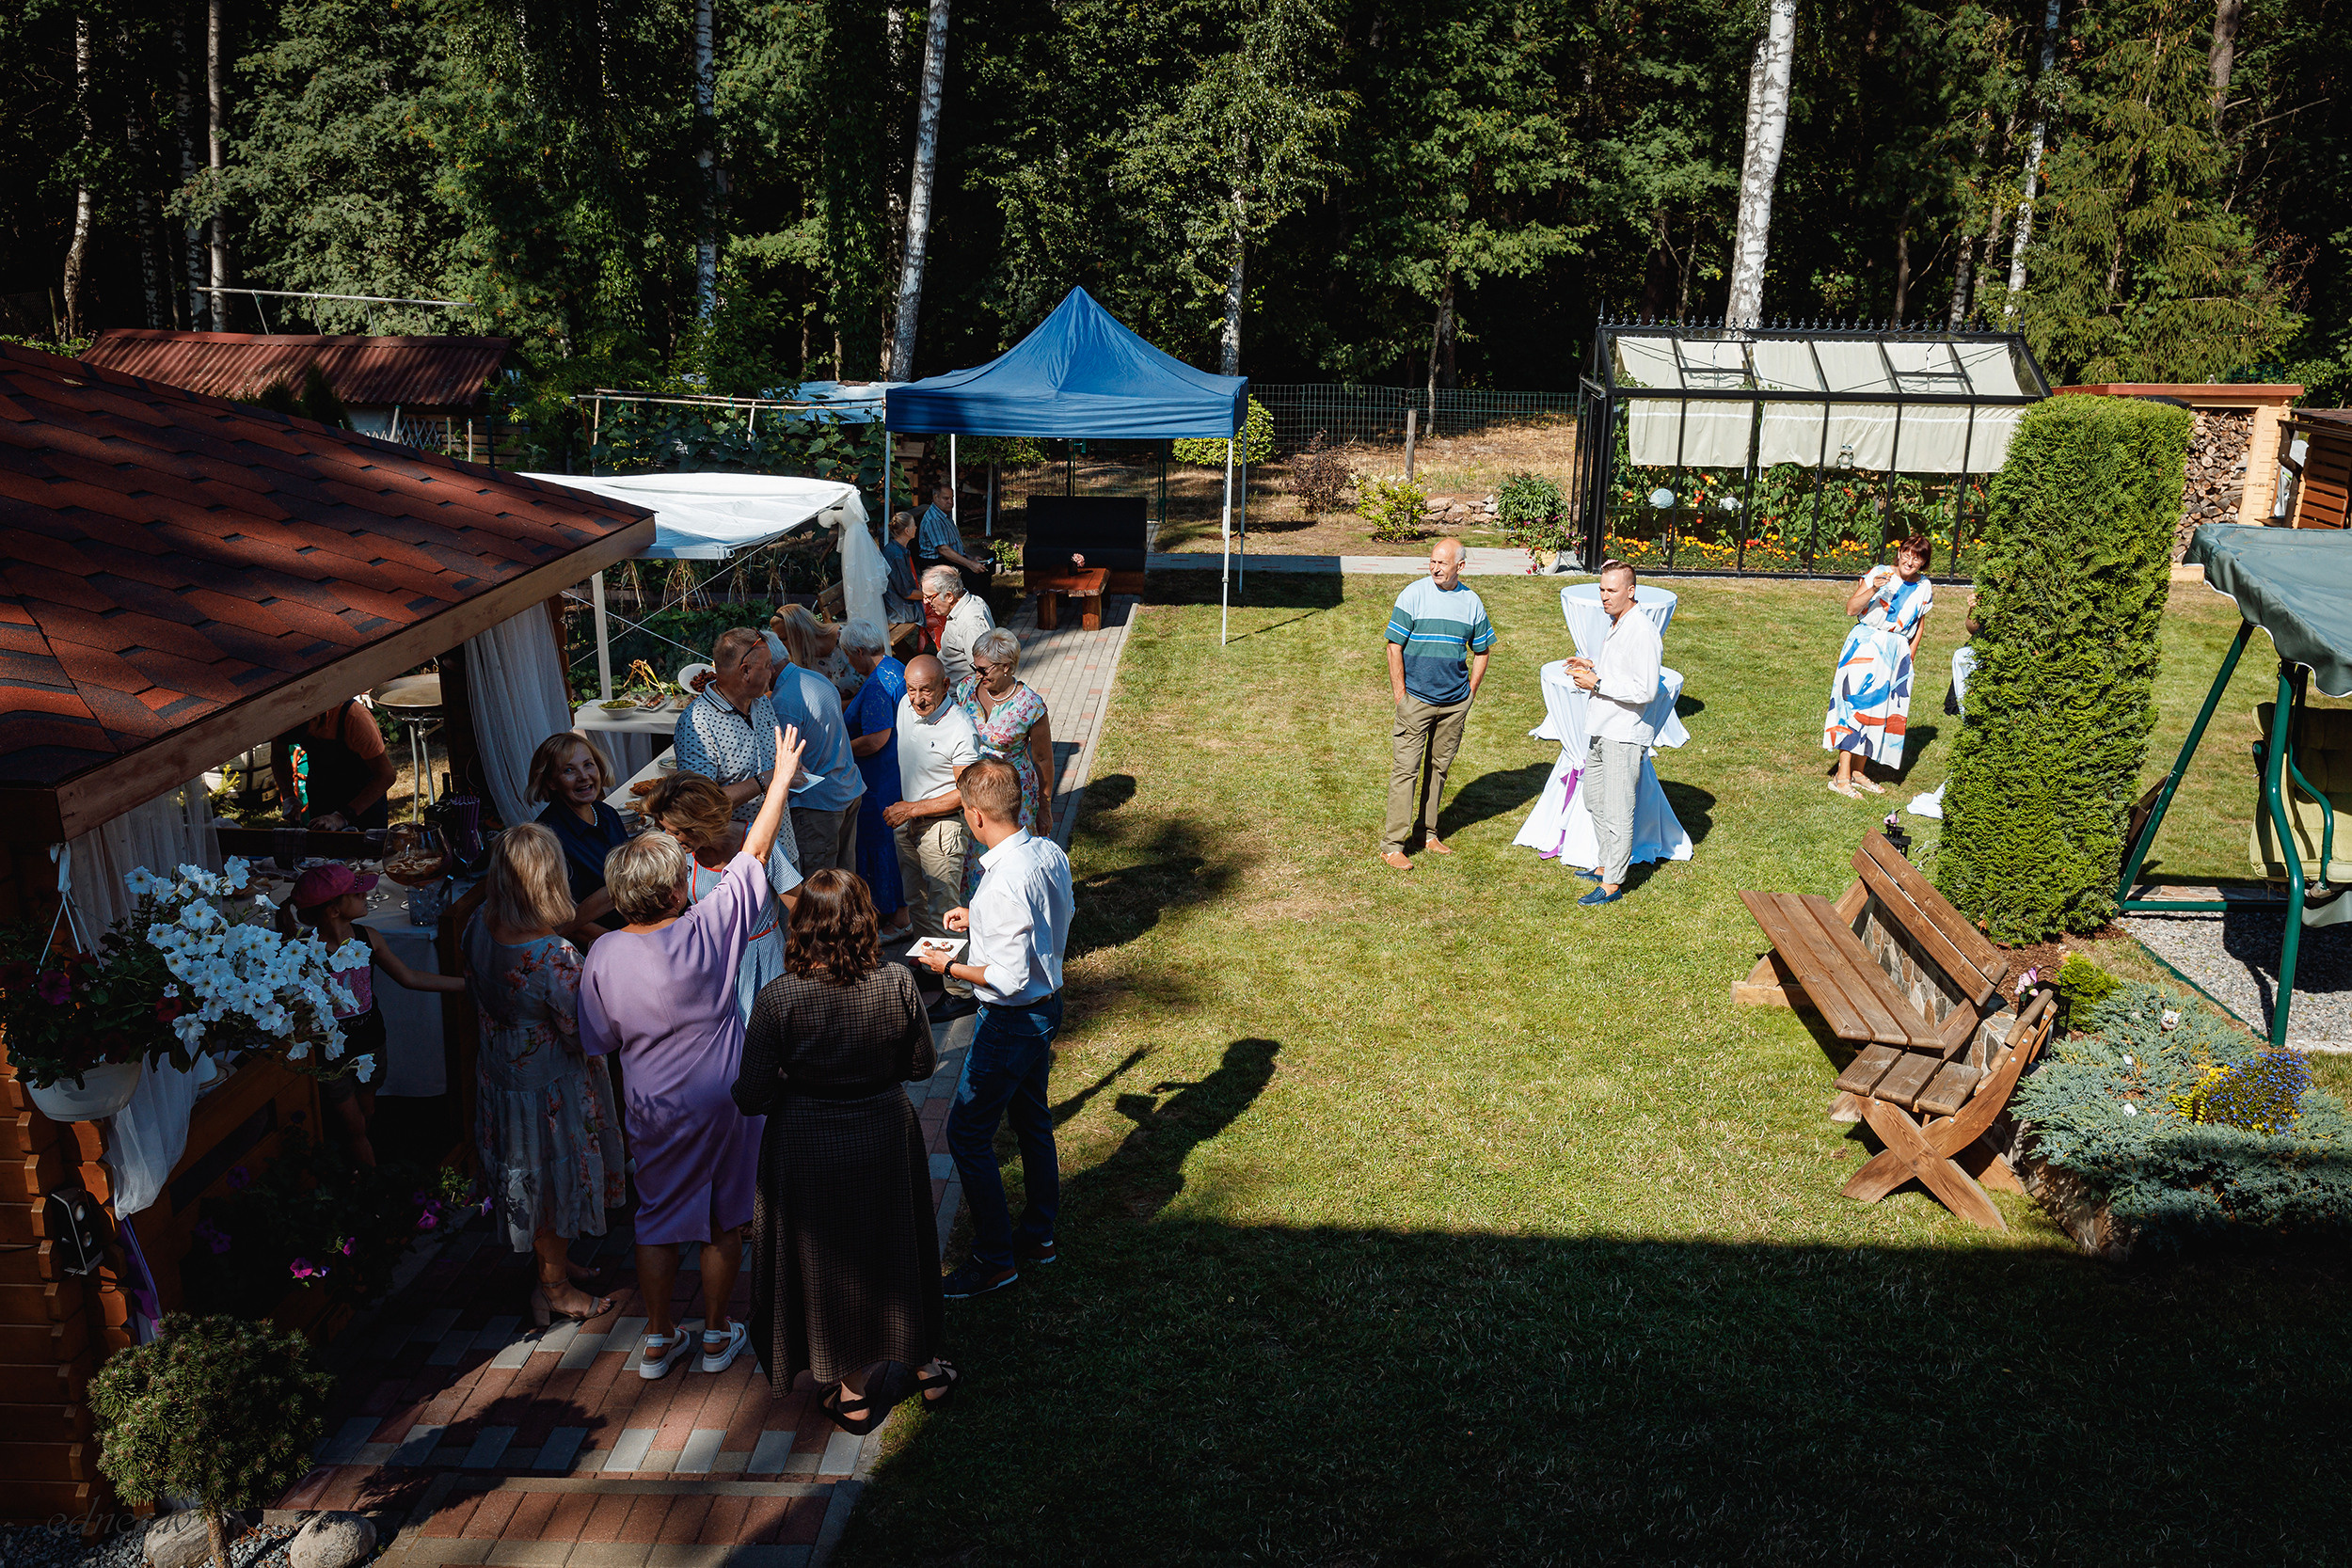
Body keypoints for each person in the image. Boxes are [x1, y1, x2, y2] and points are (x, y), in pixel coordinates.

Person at [580, 721, 803, 1380]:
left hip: (651, 1106)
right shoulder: (710, 925)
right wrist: (780, 779)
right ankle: (713, 1335)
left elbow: (599, 1039)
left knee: (657, 1219)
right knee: (723, 1221)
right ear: (677, 890)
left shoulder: (604, 952)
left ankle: (655, 1338)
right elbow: (755, 852)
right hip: (727, 1100)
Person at [732, 870, 958, 1433]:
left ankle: (852, 1392)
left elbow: (751, 1095)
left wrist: (791, 1077)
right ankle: (926, 1366)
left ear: (801, 924)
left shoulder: (779, 997)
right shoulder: (897, 984)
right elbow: (921, 1066)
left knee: (829, 1262)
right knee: (896, 1245)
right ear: (865, 922)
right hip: (884, 1131)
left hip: (805, 1145)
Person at [910, 758, 1074, 1299]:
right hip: (1046, 1008)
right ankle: (1040, 1235)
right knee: (1033, 1121)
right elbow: (1044, 922)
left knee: (966, 1133)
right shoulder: (1046, 852)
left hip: (1010, 1020)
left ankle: (994, 1259)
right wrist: (973, 918)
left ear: (976, 817)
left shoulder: (1003, 882)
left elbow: (1004, 978)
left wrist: (947, 967)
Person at [461, 824, 628, 1327]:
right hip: (551, 1087)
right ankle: (553, 1287)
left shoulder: (478, 922)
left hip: (502, 1074)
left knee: (533, 1176)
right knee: (553, 1185)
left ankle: (553, 1264)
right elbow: (584, 1034)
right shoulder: (552, 956)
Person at [286, 862, 467, 1167]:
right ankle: (367, 1184)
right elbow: (298, 1008)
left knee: (367, 1110)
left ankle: (354, 1161)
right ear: (333, 910)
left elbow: (409, 977)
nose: (366, 895)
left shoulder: (369, 938)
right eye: (356, 894)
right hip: (332, 1053)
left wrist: (467, 985)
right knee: (353, 1124)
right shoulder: (304, 951)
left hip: (370, 1043)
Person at [637, 770, 803, 1023]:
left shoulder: (759, 844)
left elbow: (802, 909)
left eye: (675, 831)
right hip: (710, 966)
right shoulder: (680, 853)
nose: (668, 838)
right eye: (663, 829)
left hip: (763, 960)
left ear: (701, 825)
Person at [1380, 538, 1497, 870]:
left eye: (1442, 564)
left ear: (1460, 567)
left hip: (1454, 703)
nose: (1434, 568)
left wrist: (1469, 693)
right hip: (1415, 700)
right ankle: (1392, 845)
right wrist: (1401, 695)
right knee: (1406, 771)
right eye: (1432, 562)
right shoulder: (1413, 595)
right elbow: (1393, 646)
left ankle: (1427, 833)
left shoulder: (1472, 603)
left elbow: (1482, 650)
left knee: (1438, 769)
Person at [888, 655, 980, 1022]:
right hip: (908, 822)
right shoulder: (904, 707)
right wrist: (908, 813)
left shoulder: (959, 727)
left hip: (942, 827)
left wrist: (912, 809)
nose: (917, 699)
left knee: (945, 910)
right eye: (911, 690)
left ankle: (960, 991)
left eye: (926, 690)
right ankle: (931, 968)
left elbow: (965, 791)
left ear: (945, 686)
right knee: (917, 899)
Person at [1565, 560, 1661, 907]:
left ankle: (1613, 883)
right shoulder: (1618, 622)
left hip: (1624, 733)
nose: (1604, 597)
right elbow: (1625, 671)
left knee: (1619, 810)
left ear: (1630, 591)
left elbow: (1646, 689)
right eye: (1601, 590)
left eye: (1611, 590)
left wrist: (1599, 682)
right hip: (1602, 727)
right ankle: (1606, 864)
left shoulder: (1643, 631)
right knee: (1594, 798)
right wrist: (1592, 666)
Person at [1823, 533, 1935, 800]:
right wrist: (1872, 588)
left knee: (1878, 714)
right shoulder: (1880, 573)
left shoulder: (1924, 586)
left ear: (1923, 563)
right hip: (1866, 645)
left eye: (1917, 557)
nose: (1910, 560)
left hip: (1896, 651)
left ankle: (1860, 773)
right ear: (1899, 553)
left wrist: (1910, 657)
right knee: (1855, 708)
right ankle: (1841, 777)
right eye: (1906, 554)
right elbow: (1851, 609)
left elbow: (1919, 625)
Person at [769, 610, 868, 875]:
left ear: (767, 666)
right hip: (846, 788)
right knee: (845, 879)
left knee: (821, 887)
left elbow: (790, 765)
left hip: (819, 806)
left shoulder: (784, 702)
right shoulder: (813, 677)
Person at [673, 629, 787, 824]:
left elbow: (773, 756)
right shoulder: (697, 723)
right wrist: (763, 781)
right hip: (736, 850)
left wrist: (790, 765)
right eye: (767, 665)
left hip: (780, 841)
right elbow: (699, 804)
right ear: (745, 671)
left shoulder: (762, 702)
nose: (773, 671)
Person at [841, 619, 911, 936]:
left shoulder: (876, 686)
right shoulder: (895, 666)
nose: (849, 663)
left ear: (858, 651)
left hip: (878, 778)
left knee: (879, 843)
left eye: (849, 656)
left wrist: (839, 752)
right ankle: (901, 912)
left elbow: (875, 739)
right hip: (895, 770)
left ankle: (895, 917)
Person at [953, 626, 1054, 844]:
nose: (977, 675)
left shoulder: (1030, 705)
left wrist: (1045, 807)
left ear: (1006, 667)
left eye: (984, 670)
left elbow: (1043, 759)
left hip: (1013, 795)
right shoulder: (966, 689)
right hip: (975, 791)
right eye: (975, 667)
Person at [527, 732, 630, 942]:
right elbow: (557, 921)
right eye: (568, 770)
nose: (584, 776)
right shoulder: (544, 839)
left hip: (633, 928)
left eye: (588, 765)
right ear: (552, 782)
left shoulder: (606, 813)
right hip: (599, 945)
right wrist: (622, 944)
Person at [274, 700, 398, 831]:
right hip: (321, 792)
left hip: (363, 800)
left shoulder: (355, 718)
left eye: (306, 734)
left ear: (315, 718)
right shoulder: (286, 716)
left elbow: (386, 776)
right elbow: (279, 755)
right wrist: (288, 796)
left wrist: (342, 816)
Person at [769, 603, 864, 707]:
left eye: (783, 639)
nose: (781, 645)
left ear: (799, 633)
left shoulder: (846, 638)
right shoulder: (801, 660)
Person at [914, 484, 994, 597]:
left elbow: (953, 545)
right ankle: (973, 610)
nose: (950, 502)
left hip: (945, 560)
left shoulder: (944, 515)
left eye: (952, 498)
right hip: (935, 564)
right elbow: (944, 550)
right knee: (973, 576)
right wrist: (970, 564)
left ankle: (983, 607)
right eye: (946, 498)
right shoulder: (934, 519)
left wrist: (970, 558)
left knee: (983, 571)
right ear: (936, 498)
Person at [926, 565, 995, 687]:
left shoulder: (970, 624)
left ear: (949, 596)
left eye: (929, 597)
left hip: (958, 697)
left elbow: (985, 671)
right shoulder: (969, 601)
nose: (926, 602)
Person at [882, 512, 923, 631]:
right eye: (913, 525)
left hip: (899, 605)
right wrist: (930, 595)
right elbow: (907, 593)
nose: (915, 528)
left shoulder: (898, 549)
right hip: (899, 611)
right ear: (907, 531)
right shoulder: (896, 555)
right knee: (941, 606)